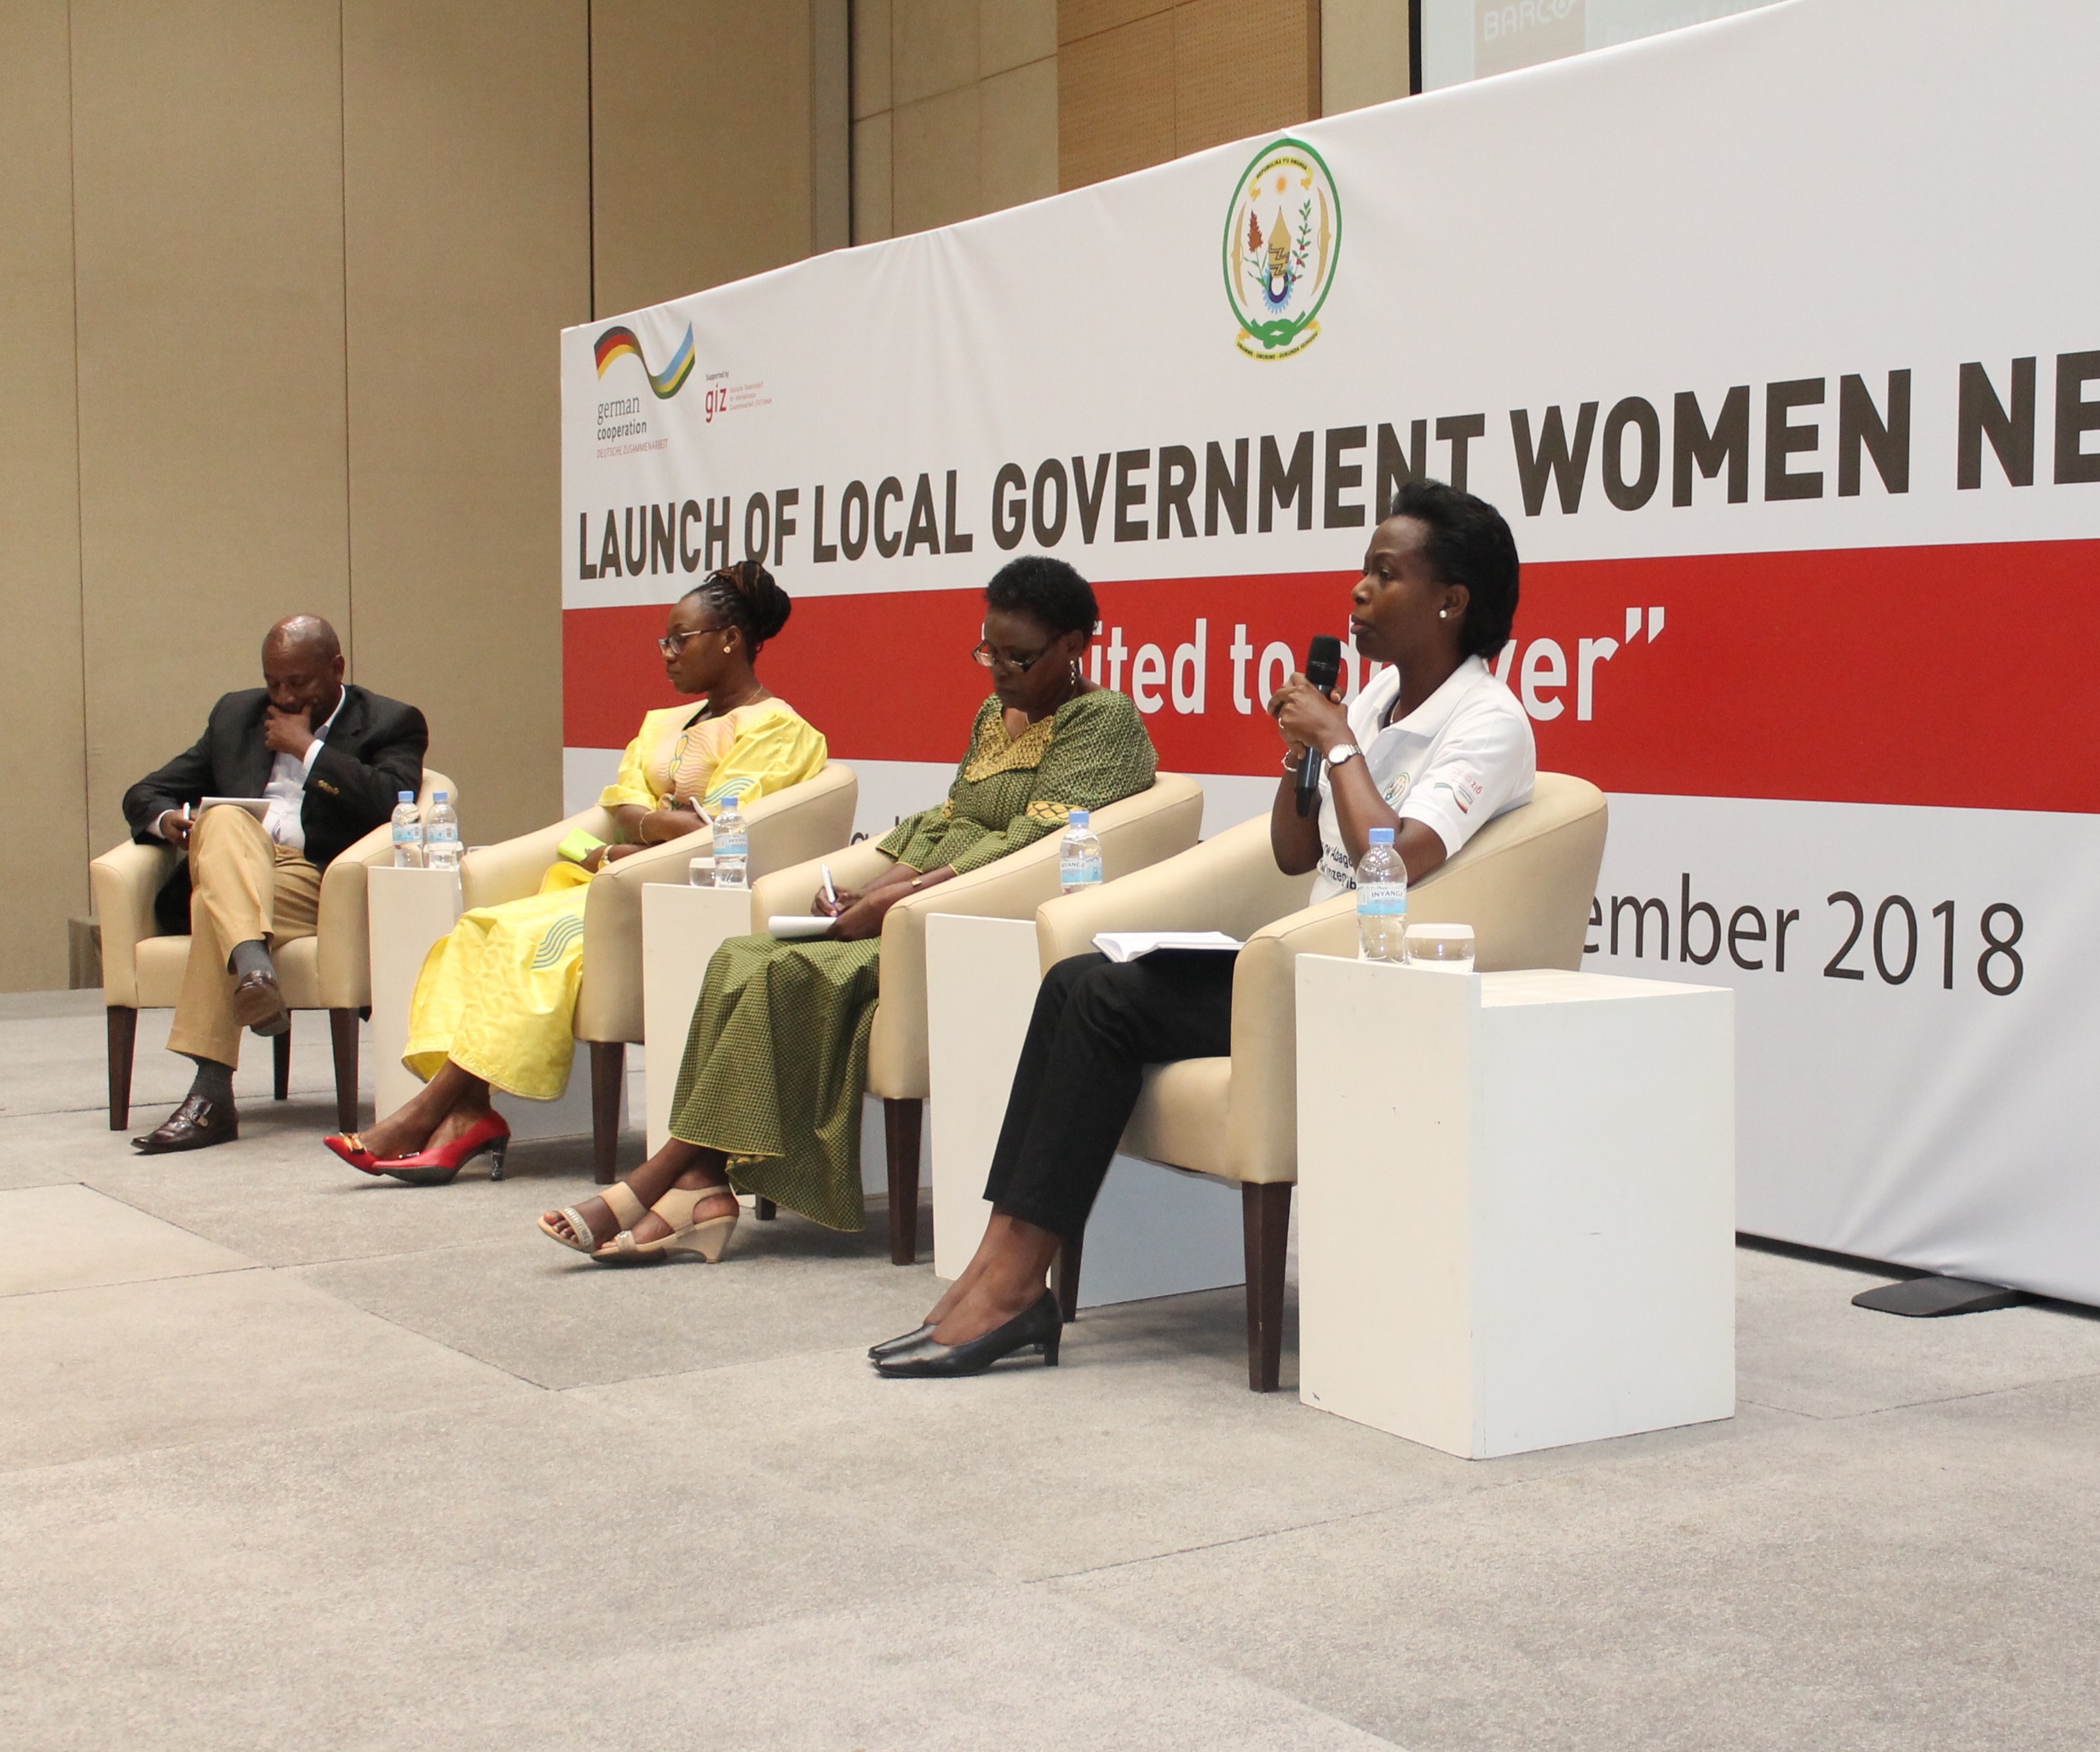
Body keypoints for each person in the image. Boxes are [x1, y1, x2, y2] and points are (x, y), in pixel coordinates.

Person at [875, 480, 1537, 1376]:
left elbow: (1395, 859)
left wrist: (1336, 743)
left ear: (1451, 601)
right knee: (1074, 980)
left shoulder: (1488, 721)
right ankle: (998, 1264)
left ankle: (1013, 1288)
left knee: (1106, 1002)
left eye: (1385, 575)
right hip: (1300, 964)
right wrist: (1306, 756)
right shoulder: (1378, 697)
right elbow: (1295, 852)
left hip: (1369, 981)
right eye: (1363, 570)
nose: (1358, 591)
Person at [538, 556, 1157, 1262]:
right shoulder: (996, 714)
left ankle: (654, 1183)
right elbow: (950, 818)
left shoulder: (1103, 721)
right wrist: (871, 886)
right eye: (989, 652)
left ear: (1074, 645)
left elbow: (1031, 841)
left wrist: (899, 900)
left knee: (789, 973)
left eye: (1019, 657)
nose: (999, 672)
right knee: (740, 957)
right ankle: (701, 1187)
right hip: (924, 901)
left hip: (987, 920)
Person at [325, 562, 823, 1183]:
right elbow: (620, 808)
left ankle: (425, 1115)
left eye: (680, 639)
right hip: (614, 882)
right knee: (480, 928)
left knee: (526, 937)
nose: (666, 654)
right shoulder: (663, 724)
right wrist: (644, 829)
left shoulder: (779, 729)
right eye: (663, 640)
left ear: (729, 639)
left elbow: (717, 831)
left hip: (679, 897)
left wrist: (635, 837)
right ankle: (466, 1115)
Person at [122, 616, 428, 1154]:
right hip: (240, 866)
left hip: (314, 881)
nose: (283, 697)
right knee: (222, 820)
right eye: (273, 683)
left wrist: (308, 750)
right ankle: (254, 970)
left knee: (215, 906)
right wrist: (168, 820)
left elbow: (391, 801)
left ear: (336, 669)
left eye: (298, 683)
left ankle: (212, 1093)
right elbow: (146, 791)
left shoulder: (391, 721)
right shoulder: (236, 715)